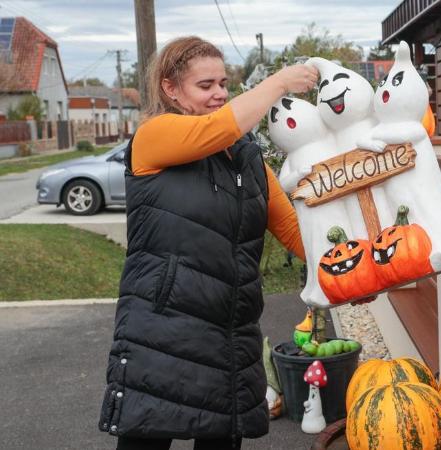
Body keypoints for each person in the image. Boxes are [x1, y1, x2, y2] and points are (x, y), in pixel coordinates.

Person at [98, 36, 318, 450]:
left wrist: (350, 271)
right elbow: (215, 129)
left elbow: (292, 230)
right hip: (162, 331)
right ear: (170, 88)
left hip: (230, 331)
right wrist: (280, 83)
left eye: (223, 83)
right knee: (147, 436)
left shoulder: (246, 155)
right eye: (205, 85)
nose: (219, 93)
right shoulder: (153, 136)